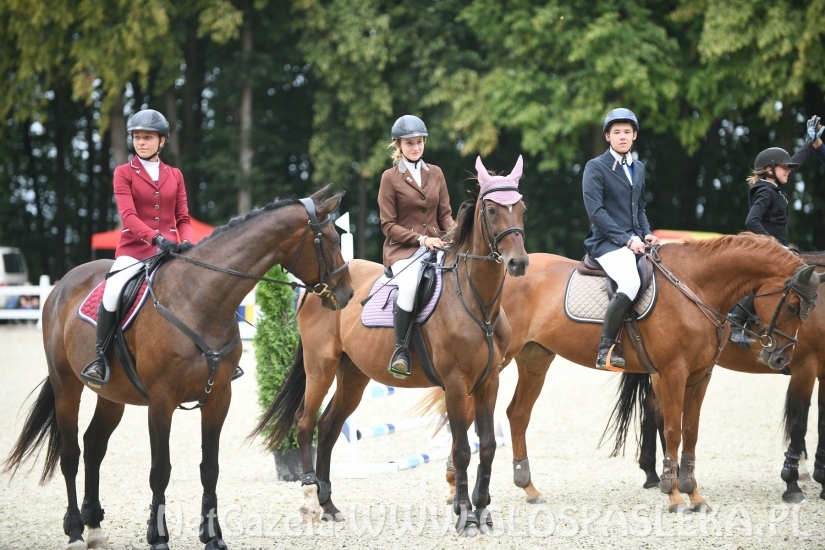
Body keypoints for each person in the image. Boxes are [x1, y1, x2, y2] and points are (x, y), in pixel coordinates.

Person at [80, 109, 192, 387]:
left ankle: (217, 355)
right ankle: (100, 359)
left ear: (162, 140)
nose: (141, 142)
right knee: (113, 292)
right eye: (137, 137)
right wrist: (156, 239)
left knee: (201, 288)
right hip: (134, 249)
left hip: (170, 251)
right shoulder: (123, 173)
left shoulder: (175, 175)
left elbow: (183, 217)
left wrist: (187, 241)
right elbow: (128, 217)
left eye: (148, 137)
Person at [728, 116, 825, 345]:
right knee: (765, 281)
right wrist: (774, 244)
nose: (789, 170)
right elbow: (752, 221)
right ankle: (736, 323)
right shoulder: (765, 190)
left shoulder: (775, 185)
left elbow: (796, 162)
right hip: (766, 247)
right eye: (784, 167)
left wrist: (809, 142)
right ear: (770, 169)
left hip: (774, 246)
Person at [377, 115, 455, 378]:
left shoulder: (436, 173)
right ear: (398, 145)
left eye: (419, 142)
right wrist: (421, 239)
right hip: (403, 250)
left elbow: (444, 215)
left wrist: (456, 234)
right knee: (409, 285)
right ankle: (400, 351)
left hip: (437, 245)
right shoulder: (390, 178)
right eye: (409, 143)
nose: (416, 147)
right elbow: (388, 225)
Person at [582, 108, 660, 370]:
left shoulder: (638, 168)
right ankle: (606, 347)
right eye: (617, 132)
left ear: (635, 135)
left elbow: (640, 208)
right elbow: (596, 213)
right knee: (630, 281)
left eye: (627, 132)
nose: (622, 136)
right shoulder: (595, 167)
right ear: (608, 136)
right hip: (606, 243)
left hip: (636, 240)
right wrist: (627, 240)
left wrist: (647, 233)